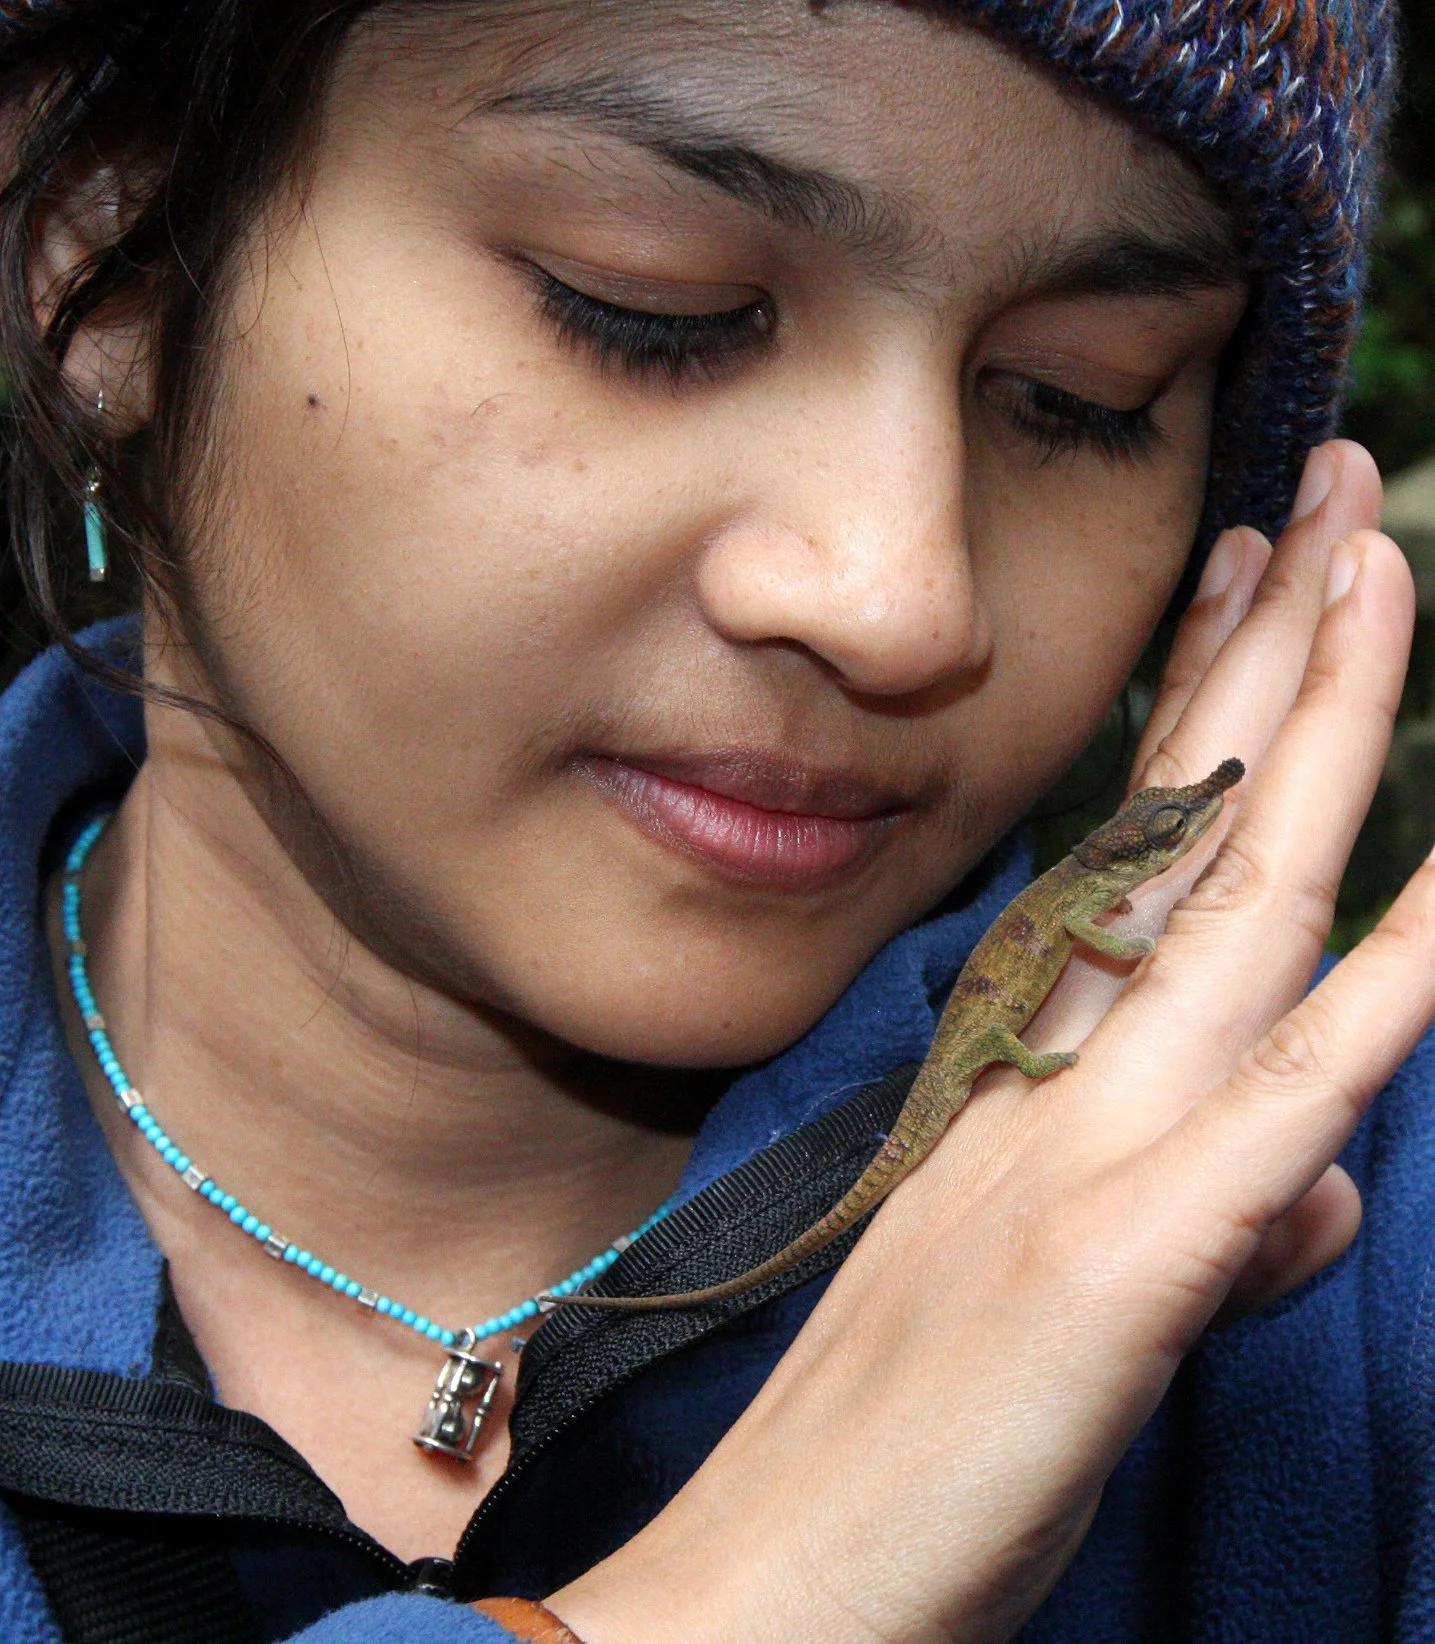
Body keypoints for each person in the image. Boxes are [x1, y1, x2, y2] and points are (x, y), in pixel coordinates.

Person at [0, 0, 1421, 1639]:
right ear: (103, 251)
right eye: (651, 306)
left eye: (1079, 395)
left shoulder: (1378, 1226)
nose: (900, 599)